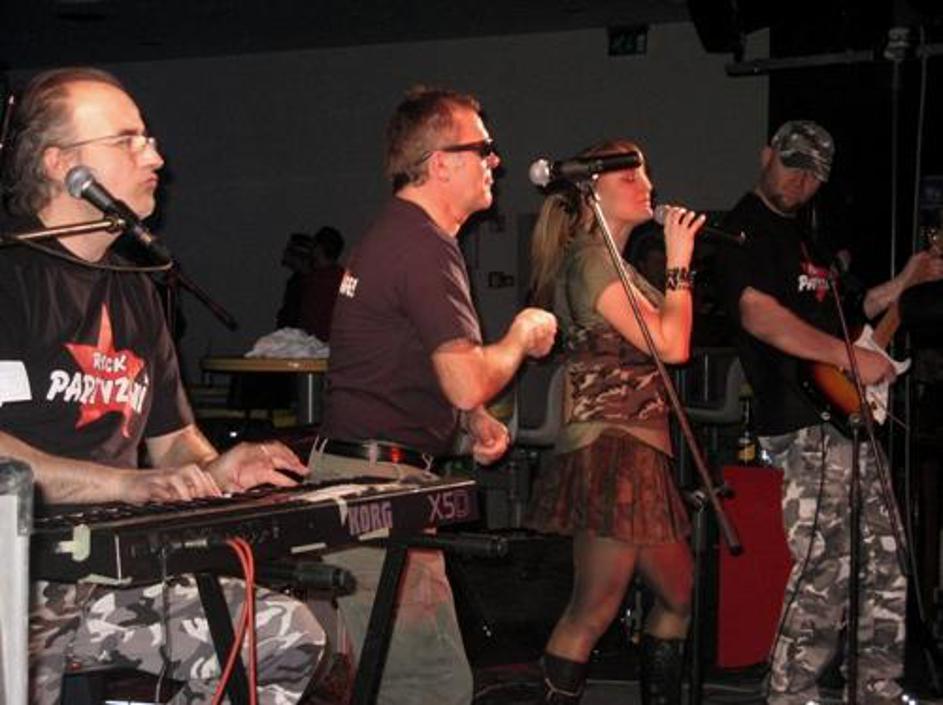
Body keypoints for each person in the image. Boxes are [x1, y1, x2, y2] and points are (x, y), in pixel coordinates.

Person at [0, 67, 324, 705]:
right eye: (128, 141)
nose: (155, 157)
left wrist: (218, 469)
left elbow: (174, 442)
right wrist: (127, 484)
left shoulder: (135, 288)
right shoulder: (9, 275)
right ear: (62, 164)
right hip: (18, 574)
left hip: (116, 569)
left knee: (284, 639)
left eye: (147, 140)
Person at [312, 86, 557, 705]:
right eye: (484, 149)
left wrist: (469, 419)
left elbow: (410, 363)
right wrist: (522, 334)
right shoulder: (422, 244)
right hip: (377, 488)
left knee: (386, 679)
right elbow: (467, 376)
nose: (496, 161)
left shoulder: (399, 235)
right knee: (428, 683)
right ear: (441, 162)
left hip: (366, 477)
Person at [713, 120, 943, 705]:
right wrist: (846, 357)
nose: (800, 181)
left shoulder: (809, 241)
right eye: (792, 165)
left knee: (885, 562)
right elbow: (757, 313)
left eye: (813, 174)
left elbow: (854, 312)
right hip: (800, 419)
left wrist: (908, 279)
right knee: (825, 567)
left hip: (847, 419)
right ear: (766, 155)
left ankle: (877, 689)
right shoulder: (744, 229)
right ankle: (791, 693)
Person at [526, 139, 706, 705]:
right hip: (613, 448)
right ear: (592, 193)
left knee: (678, 594)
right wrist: (679, 261)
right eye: (629, 176)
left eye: (646, 174)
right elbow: (672, 345)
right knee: (593, 609)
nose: (646, 185)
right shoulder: (589, 259)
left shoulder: (615, 264)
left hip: (639, 450)